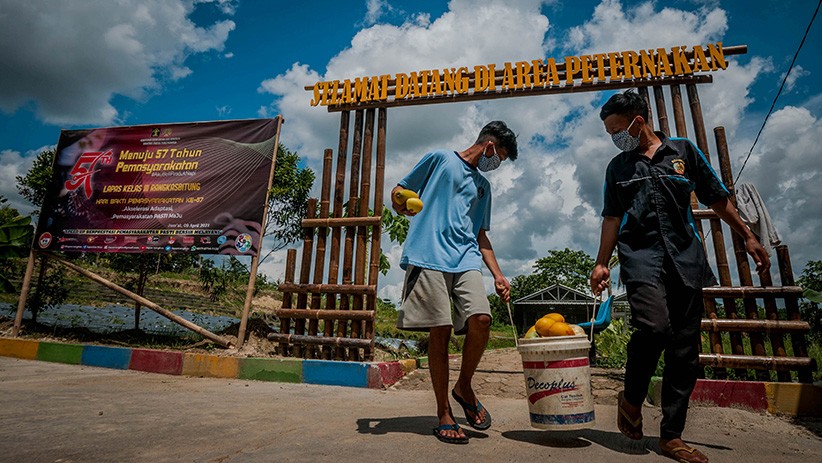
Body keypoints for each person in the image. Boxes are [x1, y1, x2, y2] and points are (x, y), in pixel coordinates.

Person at [589, 90, 770, 463]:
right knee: (653, 328)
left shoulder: (684, 152)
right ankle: (631, 398)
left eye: (617, 129)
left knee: (684, 351)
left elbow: (716, 197)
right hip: (640, 260)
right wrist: (602, 262)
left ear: (639, 122)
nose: (614, 138)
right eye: (609, 132)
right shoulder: (617, 168)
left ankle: (671, 436)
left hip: (685, 260)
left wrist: (748, 236)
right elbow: (611, 216)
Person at [393, 121, 517, 444]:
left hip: (465, 259)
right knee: (441, 329)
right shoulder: (440, 159)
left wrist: (498, 274)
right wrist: (400, 202)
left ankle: (463, 385)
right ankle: (443, 412)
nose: (496, 165)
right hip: (429, 254)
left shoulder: (483, 188)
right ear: (489, 146)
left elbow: (481, 235)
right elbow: (400, 191)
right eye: (499, 158)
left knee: (482, 319)